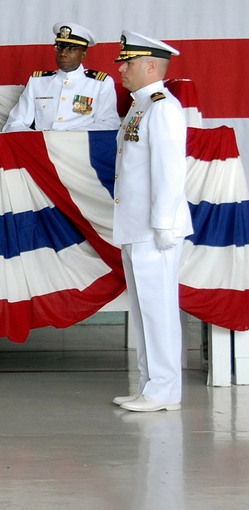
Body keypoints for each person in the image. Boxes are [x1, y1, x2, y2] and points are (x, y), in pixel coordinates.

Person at [111, 30, 191, 413]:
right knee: (144, 310)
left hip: (154, 228)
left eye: (128, 62)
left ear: (150, 66)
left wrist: (162, 223)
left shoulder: (163, 107)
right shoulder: (140, 105)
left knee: (158, 308)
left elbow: (170, 170)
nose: (122, 68)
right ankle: (149, 385)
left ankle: (164, 389)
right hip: (135, 224)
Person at [3, 22, 120, 132]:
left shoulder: (100, 83)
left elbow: (109, 123)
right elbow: (14, 124)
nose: (63, 53)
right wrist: (39, 139)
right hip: (43, 148)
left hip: (80, 147)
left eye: (71, 49)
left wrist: (69, 136)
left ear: (83, 55)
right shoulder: (37, 82)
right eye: (60, 47)